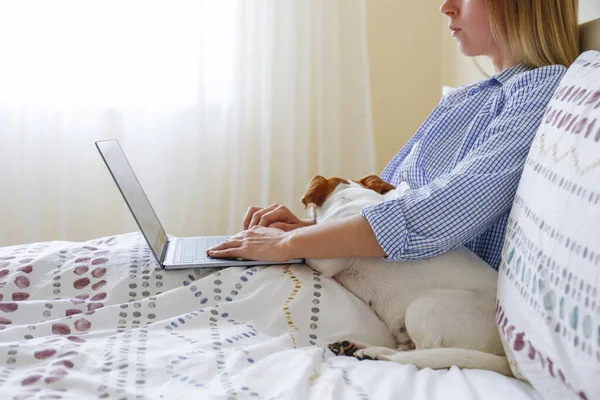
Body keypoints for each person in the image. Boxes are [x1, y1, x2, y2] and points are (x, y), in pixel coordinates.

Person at [207, 0, 580, 270]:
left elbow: (442, 210)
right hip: (385, 273)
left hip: (434, 290)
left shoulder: (539, 90)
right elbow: (390, 198)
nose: (446, 7)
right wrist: (310, 229)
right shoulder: (470, 96)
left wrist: (291, 243)